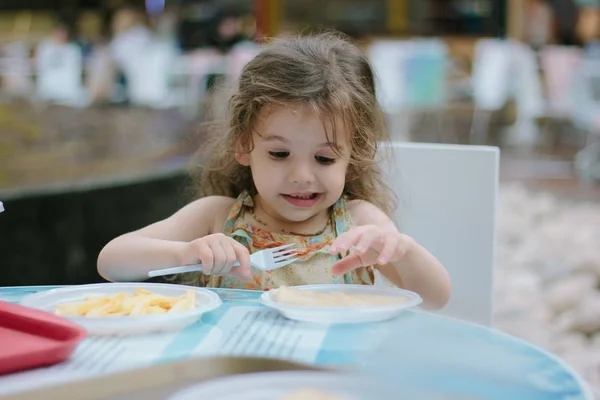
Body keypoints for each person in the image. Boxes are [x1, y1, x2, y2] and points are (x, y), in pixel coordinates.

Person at [97, 32, 451, 310]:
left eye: (324, 159)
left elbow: (436, 298)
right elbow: (111, 262)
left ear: (353, 155)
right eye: (280, 154)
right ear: (243, 145)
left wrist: (400, 251)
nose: (301, 175)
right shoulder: (218, 216)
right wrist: (185, 254)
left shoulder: (358, 224)